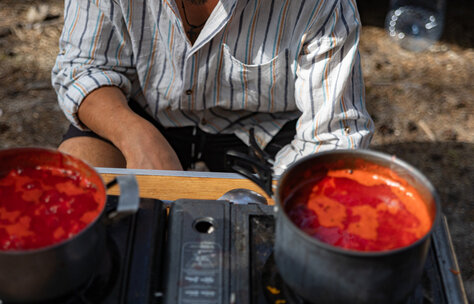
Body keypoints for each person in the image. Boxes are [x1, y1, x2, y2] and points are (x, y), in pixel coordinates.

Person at [52, 0, 374, 175]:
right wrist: (136, 136)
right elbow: (86, 69)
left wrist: (277, 206)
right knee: (78, 176)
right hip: (145, 112)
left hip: (262, 126)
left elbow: (333, 136)